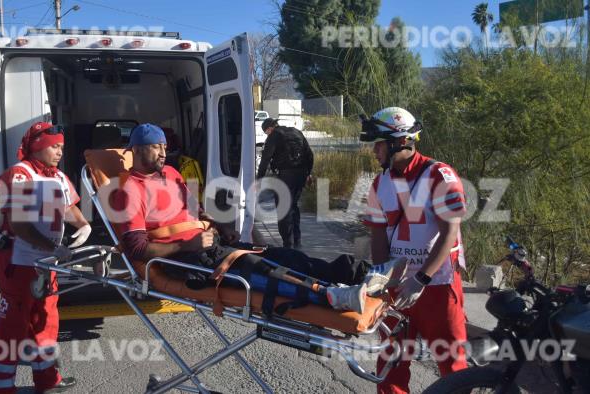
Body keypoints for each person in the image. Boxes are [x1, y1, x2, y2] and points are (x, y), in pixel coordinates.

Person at [111, 123, 402, 316]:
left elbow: (195, 211)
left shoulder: (172, 175)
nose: (163, 152)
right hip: (182, 263)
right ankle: (329, 295)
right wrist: (187, 246)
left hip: (207, 248)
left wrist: (221, 227)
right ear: (136, 150)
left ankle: (358, 272)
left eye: (164, 145)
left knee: (282, 254)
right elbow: (137, 249)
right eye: (156, 147)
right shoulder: (128, 190)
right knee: (263, 269)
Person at [359, 107, 468, 394]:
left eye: (378, 144)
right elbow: (378, 235)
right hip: (396, 287)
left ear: (399, 142)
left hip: (437, 286)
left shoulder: (439, 175)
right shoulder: (379, 183)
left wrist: (421, 279)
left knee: (451, 364)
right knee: (391, 363)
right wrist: (382, 280)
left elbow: (449, 232)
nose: (374, 152)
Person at [0, 121, 91, 394]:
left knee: (46, 320)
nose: (60, 152)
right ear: (37, 146)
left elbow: (69, 208)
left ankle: (47, 382)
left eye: (61, 147)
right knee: (14, 326)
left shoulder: (56, 176)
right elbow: (20, 224)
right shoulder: (18, 175)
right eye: (55, 146)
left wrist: (83, 225)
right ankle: (2, 389)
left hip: (46, 261)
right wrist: (53, 247)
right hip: (18, 260)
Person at [256, 118, 313, 248]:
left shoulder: (274, 136)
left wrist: (259, 179)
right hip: (301, 175)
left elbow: (265, 159)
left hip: (286, 176)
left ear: (269, 129)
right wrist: (308, 173)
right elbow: (310, 155)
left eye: (266, 133)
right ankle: (297, 241)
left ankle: (288, 244)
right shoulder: (297, 132)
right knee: (293, 206)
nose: (267, 135)